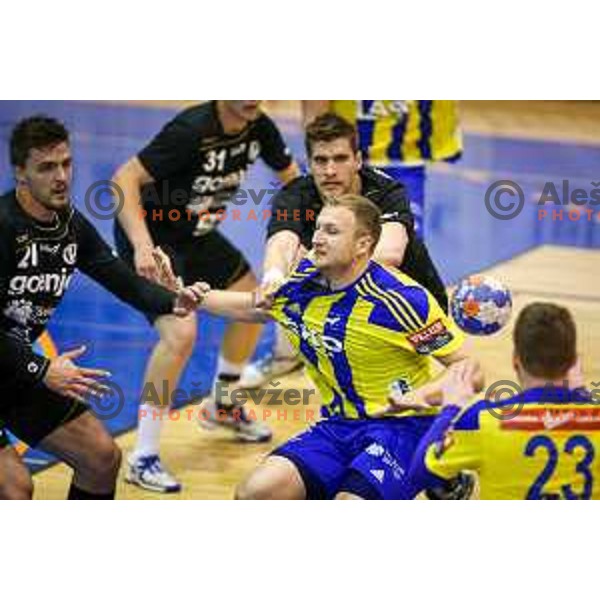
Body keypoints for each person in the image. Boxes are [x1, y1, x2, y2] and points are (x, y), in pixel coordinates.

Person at [194, 195, 483, 499]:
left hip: (403, 427)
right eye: (317, 228)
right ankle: (439, 479)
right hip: (338, 425)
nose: (317, 239)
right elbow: (259, 307)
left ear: (362, 245)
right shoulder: (304, 277)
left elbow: (471, 370)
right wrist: (190, 296)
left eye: (331, 231)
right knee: (254, 493)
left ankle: (437, 470)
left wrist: (418, 396)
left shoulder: (401, 300)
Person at [0, 116, 206, 500]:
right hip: (21, 365)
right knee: (15, 487)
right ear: (20, 174)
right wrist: (41, 368)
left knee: (101, 457)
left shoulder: (70, 226)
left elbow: (121, 279)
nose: (61, 176)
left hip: (12, 369)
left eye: (66, 163)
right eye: (46, 167)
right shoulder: (4, 227)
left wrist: (174, 300)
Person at [112, 101, 300, 492]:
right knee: (180, 335)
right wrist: (143, 245)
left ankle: (222, 404)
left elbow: (294, 183)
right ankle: (142, 455)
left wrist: (305, 227)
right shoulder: (191, 130)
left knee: (256, 303)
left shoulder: (259, 126)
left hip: (196, 235)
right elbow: (123, 179)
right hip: (154, 240)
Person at [241, 113, 448, 389]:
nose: (329, 171)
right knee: (286, 277)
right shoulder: (295, 195)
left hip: (408, 307)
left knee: (412, 393)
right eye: (320, 160)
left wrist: (312, 269)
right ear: (310, 164)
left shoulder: (385, 190)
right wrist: (273, 278)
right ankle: (287, 356)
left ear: (358, 161)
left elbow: (389, 255)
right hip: (347, 308)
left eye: (340, 159)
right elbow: (282, 240)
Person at [408, 302, 600, 499]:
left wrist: (450, 408)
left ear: (516, 360)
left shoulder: (482, 420)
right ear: (573, 361)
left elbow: (419, 474)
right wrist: (583, 395)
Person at [302, 100, 462, 237]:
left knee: (406, 237)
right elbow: (315, 116)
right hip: (345, 159)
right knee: (334, 230)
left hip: (404, 161)